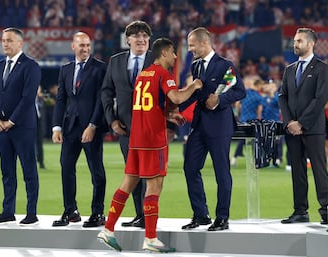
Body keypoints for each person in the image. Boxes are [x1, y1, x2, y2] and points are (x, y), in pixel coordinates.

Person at [97, 37, 203, 253]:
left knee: (128, 182)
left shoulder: (142, 76)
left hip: (136, 138)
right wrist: (194, 85)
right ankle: (151, 238)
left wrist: (169, 115)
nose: (175, 56)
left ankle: (107, 230)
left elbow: (150, 105)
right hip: (153, 139)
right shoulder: (164, 75)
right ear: (163, 53)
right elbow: (176, 96)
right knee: (154, 186)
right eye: (173, 52)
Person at [180, 27, 246, 231]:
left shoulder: (225, 65)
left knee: (221, 172)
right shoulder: (196, 65)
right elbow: (195, 94)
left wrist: (220, 100)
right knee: (190, 167)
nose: (190, 49)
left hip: (219, 126)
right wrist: (175, 108)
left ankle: (222, 217)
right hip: (199, 125)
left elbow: (240, 91)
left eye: (192, 45)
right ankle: (201, 215)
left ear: (203, 43)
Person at [51, 32, 107, 227]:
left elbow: (102, 100)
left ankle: (98, 212)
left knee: (96, 171)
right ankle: (70, 210)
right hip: (70, 127)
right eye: (81, 45)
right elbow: (61, 100)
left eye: (87, 46)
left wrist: (92, 125)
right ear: (73, 47)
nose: (85, 49)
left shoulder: (100, 68)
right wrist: (57, 126)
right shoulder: (65, 69)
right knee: (66, 167)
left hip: (91, 128)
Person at [101, 20, 153, 228]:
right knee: (133, 173)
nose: (141, 40)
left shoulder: (158, 60)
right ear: (127, 40)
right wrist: (111, 120)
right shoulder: (115, 61)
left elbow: (168, 96)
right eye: (136, 36)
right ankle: (140, 215)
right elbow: (106, 91)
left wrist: (170, 127)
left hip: (151, 129)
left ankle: (148, 216)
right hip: (126, 128)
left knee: (150, 175)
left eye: (145, 36)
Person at [0, 27, 41, 225]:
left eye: (9, 40)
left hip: (22, 128)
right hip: (2, 129)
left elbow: (28, 99)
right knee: (7, 171)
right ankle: (8, 211)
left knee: (29, 170)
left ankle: (31, 213)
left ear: (20, 43)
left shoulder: (31, 66)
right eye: (3, 40)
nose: (5, 44)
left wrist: (11, 121)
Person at [279, 27, 328, 225]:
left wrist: (301, 123)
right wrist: (289, 122)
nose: (295, 44)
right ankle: (300, 211)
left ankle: (326, 211)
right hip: (292, 129)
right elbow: (282, 96)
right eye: (295, 40)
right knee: (297, 171)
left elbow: (320, 99)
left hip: (313, 128)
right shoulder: (289, 69)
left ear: (311, 44)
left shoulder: (322, 68)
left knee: (319, 170)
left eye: (300, 41)